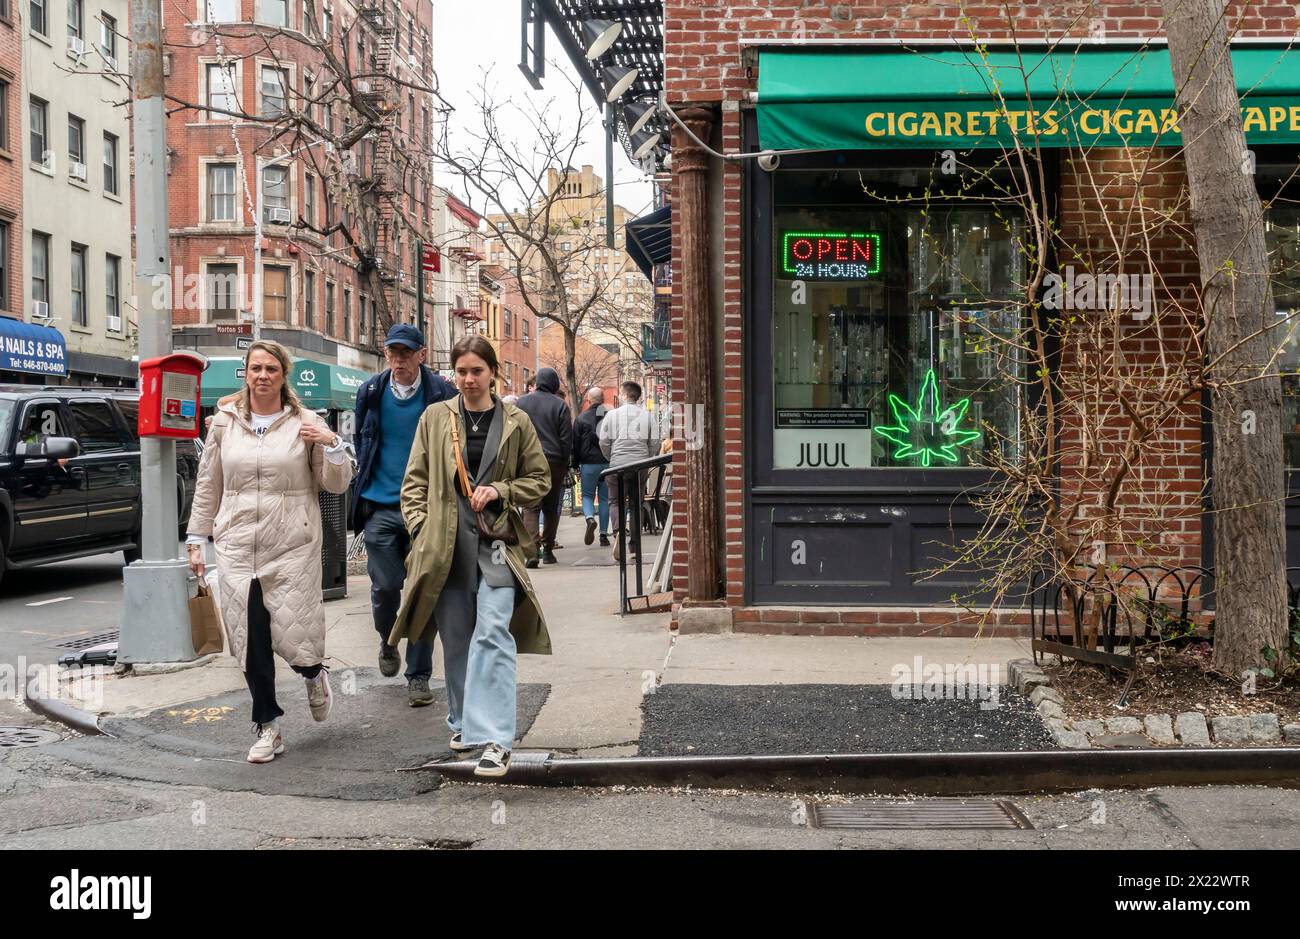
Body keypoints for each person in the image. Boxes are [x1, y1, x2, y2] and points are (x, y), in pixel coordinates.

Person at [388, 335, 552, 777]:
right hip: (445, 545)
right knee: (457, 638)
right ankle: (463, 721)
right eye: (461, 371)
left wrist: (501, 489)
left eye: (477, 370)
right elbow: (414, 482)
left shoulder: (516, 421)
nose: (468, 379)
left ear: (493, 373)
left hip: (495, 544)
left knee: (494, 632)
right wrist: (422, 530)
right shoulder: (435, 418)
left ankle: (496, 738)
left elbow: (540, 479)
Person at [186, 340, 354, 764]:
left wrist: (332, 445)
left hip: (291, 544)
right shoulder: (223, 423)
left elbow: (335, 484)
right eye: (255, 368)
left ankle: (313, 674)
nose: (262, 376)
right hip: (237, 545)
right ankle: (268, 726)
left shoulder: (306, 422)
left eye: (271, 370)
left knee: (295, 634)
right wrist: (197, 538)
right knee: (250, 636)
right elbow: (209, 484)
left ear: (283, 376)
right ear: (245, 372)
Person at [351, 324, 457, 705]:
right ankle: (387, 639)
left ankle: (419, 676)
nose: (398, 359)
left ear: (421, 355)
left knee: (423, 591)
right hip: (380, 506)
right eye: (392, 352)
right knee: (384, 589)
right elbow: (362, 441)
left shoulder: (443, 394)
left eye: (405, 353)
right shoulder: (372, 392)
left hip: (428, 509)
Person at [513, 367, 572, 567]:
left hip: (527, 460)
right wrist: (566, 464)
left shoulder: (521, 403)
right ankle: (547, 550)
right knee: (550, 507)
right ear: (554, 383)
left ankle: (531, 552)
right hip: (554, 461)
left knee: (530, 506)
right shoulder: (560, 405)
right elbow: (566, 439)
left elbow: (513, 433)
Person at [598, 381, 660, 560]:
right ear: (638, 396)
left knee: (615, 502)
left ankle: (618, 532)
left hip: (617, 465)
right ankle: (634, 546)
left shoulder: (611, 415)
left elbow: (603, 441)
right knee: (636, 505)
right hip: (639, 465)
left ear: (624, 395)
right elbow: (654, 442)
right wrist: (646, 459)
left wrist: (612, 458)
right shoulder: (648, 416)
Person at [572, 386, 611, 547]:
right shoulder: (609, 417)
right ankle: (603, 536)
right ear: (603, 400)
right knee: (604, 499)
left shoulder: (580, 419)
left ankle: (589, 518)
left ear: (588, 400)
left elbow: (575, 444)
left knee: (587, 496)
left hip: (588, 464)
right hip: (608, 463)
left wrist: (574, 465)